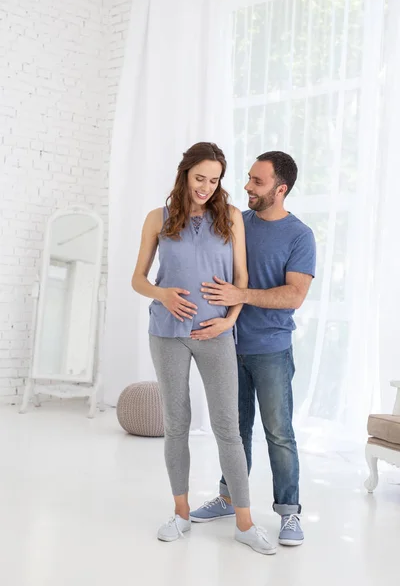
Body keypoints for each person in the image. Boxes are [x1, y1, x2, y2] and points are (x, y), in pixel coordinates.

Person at [131, 142, 276, 554]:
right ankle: (180, 514)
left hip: (215, 333)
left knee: (227, 428)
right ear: (184, 174)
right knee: (177, 423)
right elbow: (138, 279)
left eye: (214, 181)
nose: (206, 188)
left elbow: (241, 278)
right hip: (167, 332)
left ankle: (245, 523)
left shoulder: (230, 217)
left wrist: (229, 320)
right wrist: (161, 295)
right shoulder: (156, 219)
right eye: (200, 179)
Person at [190, 151, 316, 547]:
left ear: (281, 189)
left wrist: (240, 294)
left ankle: (290, 513)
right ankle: (229, 497)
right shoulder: (236, 222)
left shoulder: (299, 235)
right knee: (233, 431)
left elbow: (295, 295)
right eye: (247, 178)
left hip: (271, 349)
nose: (247, 186)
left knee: (278, 433)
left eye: (257, 182)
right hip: (227, 345)